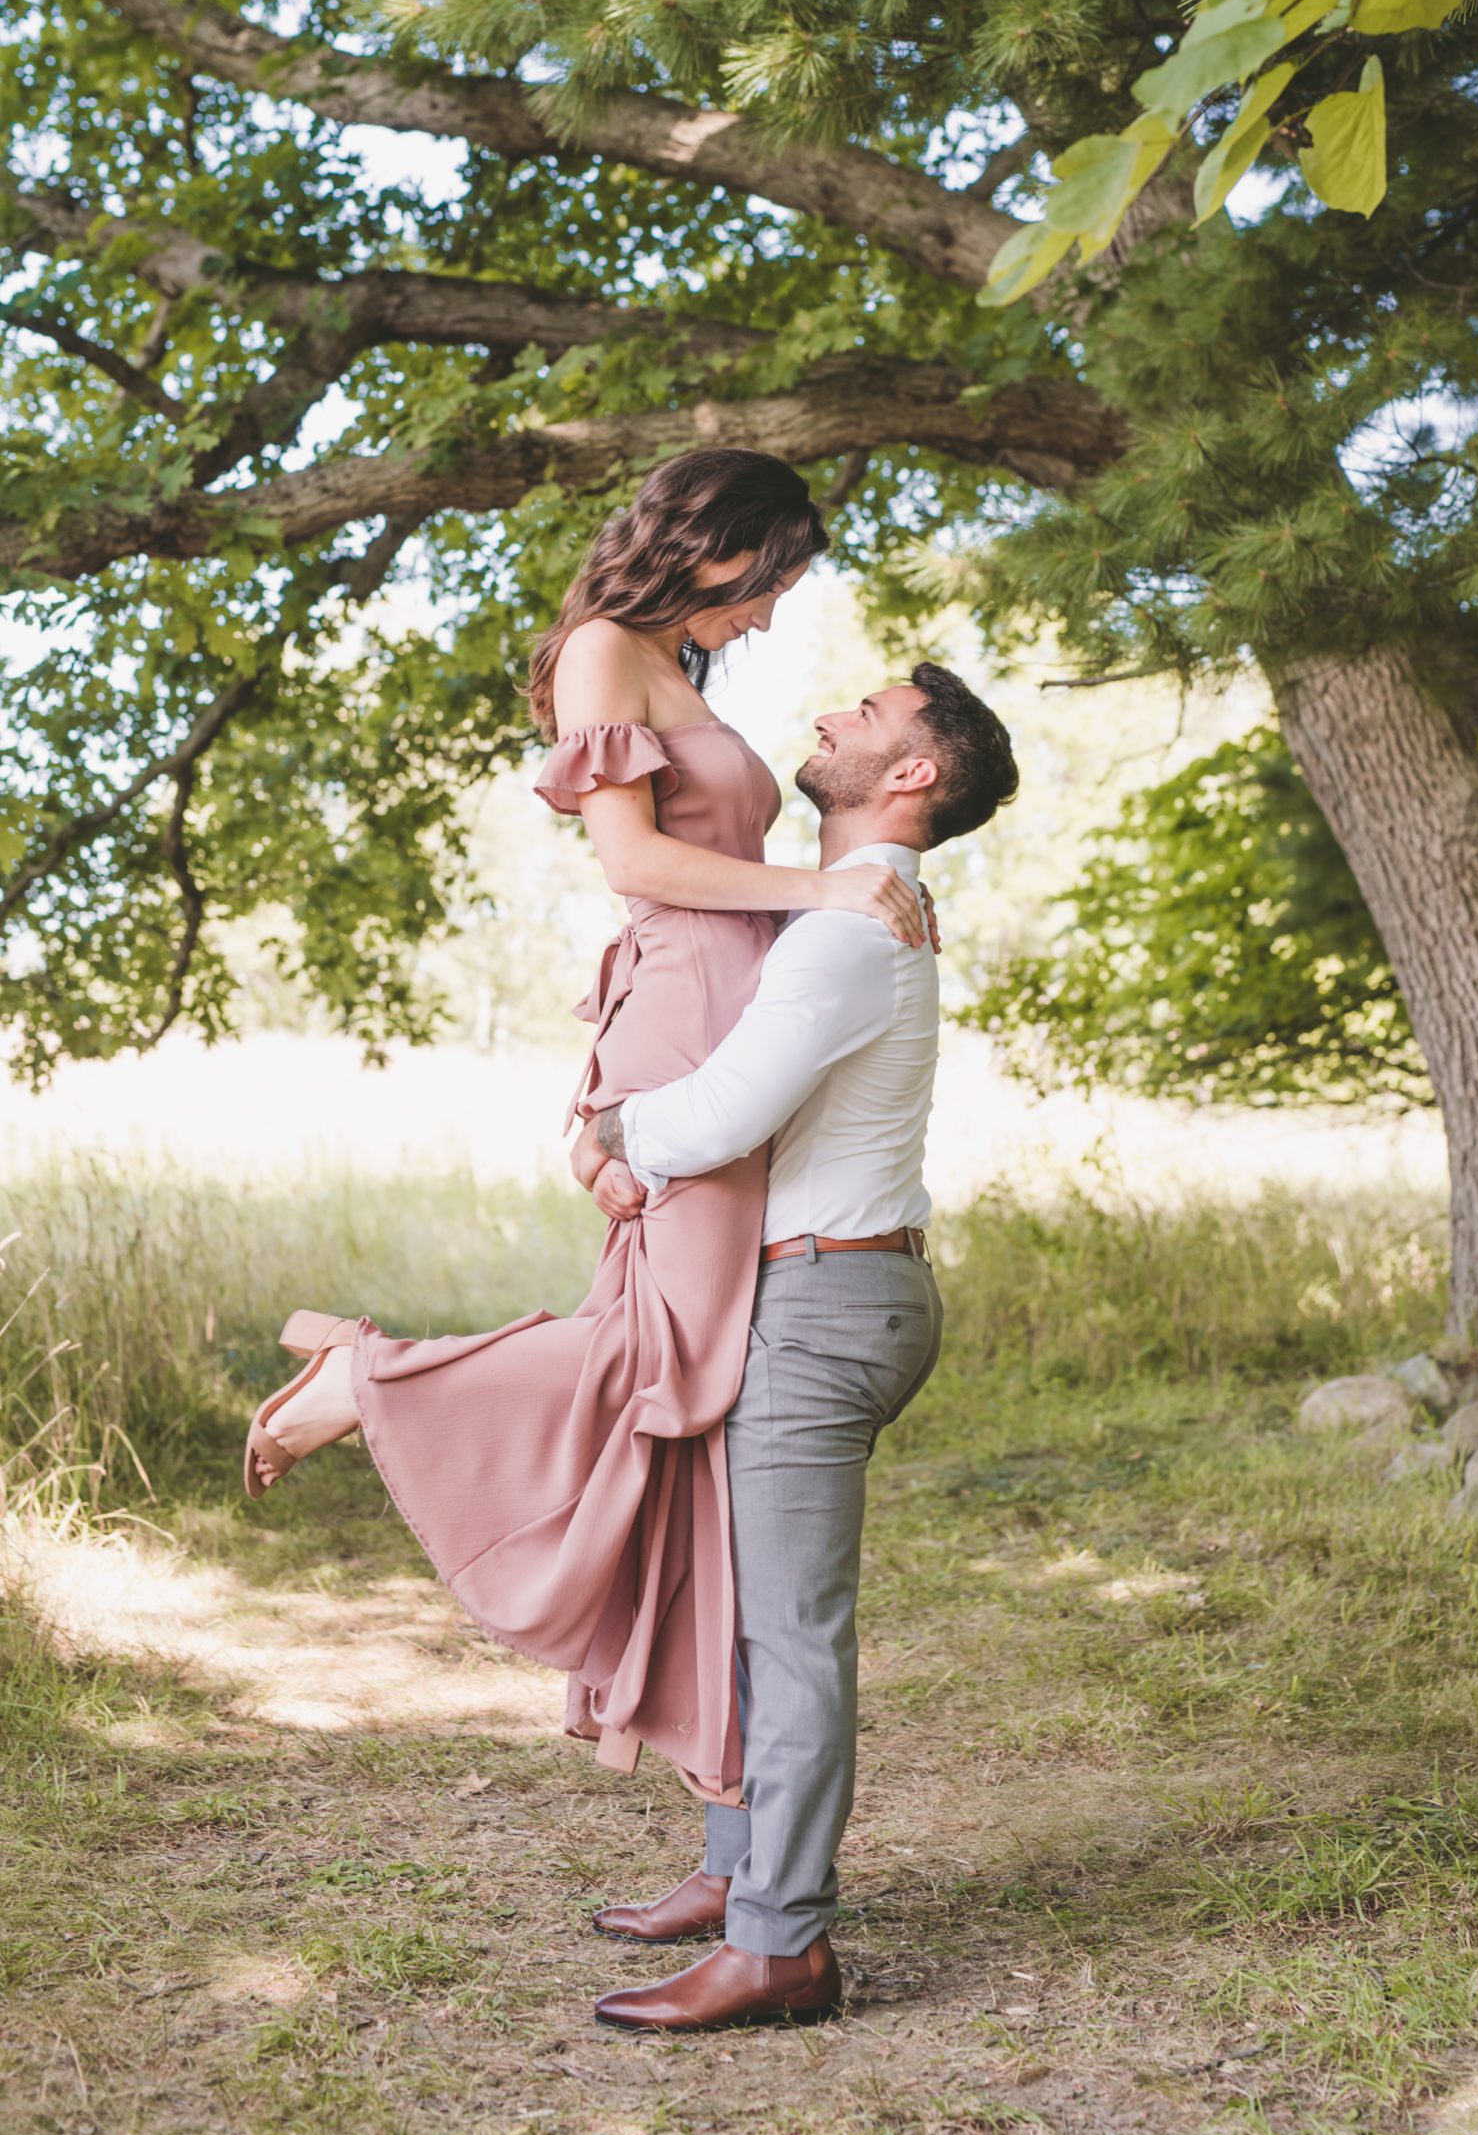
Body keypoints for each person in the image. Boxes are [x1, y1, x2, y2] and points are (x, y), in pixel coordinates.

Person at [239, 447, 930, 1809]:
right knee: (663, 1353)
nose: (775, 613)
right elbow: (633, 864)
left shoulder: (673, 664)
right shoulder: (604, 651)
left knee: (699, 1374)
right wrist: (832, 886)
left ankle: (709, 1768)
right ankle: (369, 1383)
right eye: (773, 579)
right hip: (690, 1018)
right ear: (716, 542)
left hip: (731, 1019)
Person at [575, 663, 1018, 2035]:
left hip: (823, 1311)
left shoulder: (846, 936)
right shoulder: (835, 916)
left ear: (913, 777)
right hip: (821, 1295)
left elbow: (716, 1119)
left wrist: (606, 1131)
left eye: (870, 716)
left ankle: (783, 1947)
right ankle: (737, 1874)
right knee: (747, 1606)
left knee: (793, 1632)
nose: (831, 715)